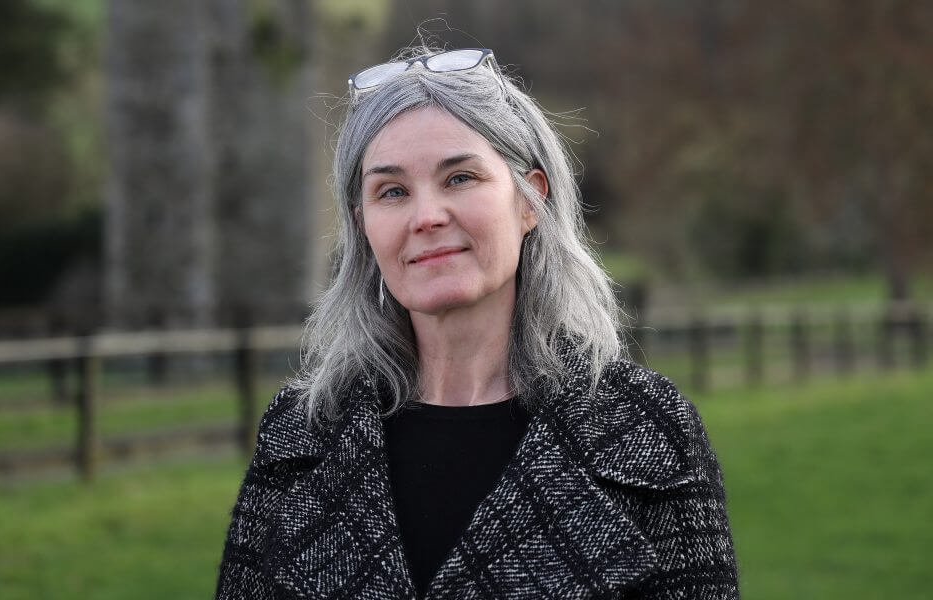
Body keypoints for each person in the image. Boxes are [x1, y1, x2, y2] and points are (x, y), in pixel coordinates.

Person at [215, 46, 739, 600]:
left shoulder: (646, 427)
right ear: (361, 223)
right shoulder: (304, 431)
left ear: (530, 200)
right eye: (391, 191)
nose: (427, 216)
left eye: (460, 178)